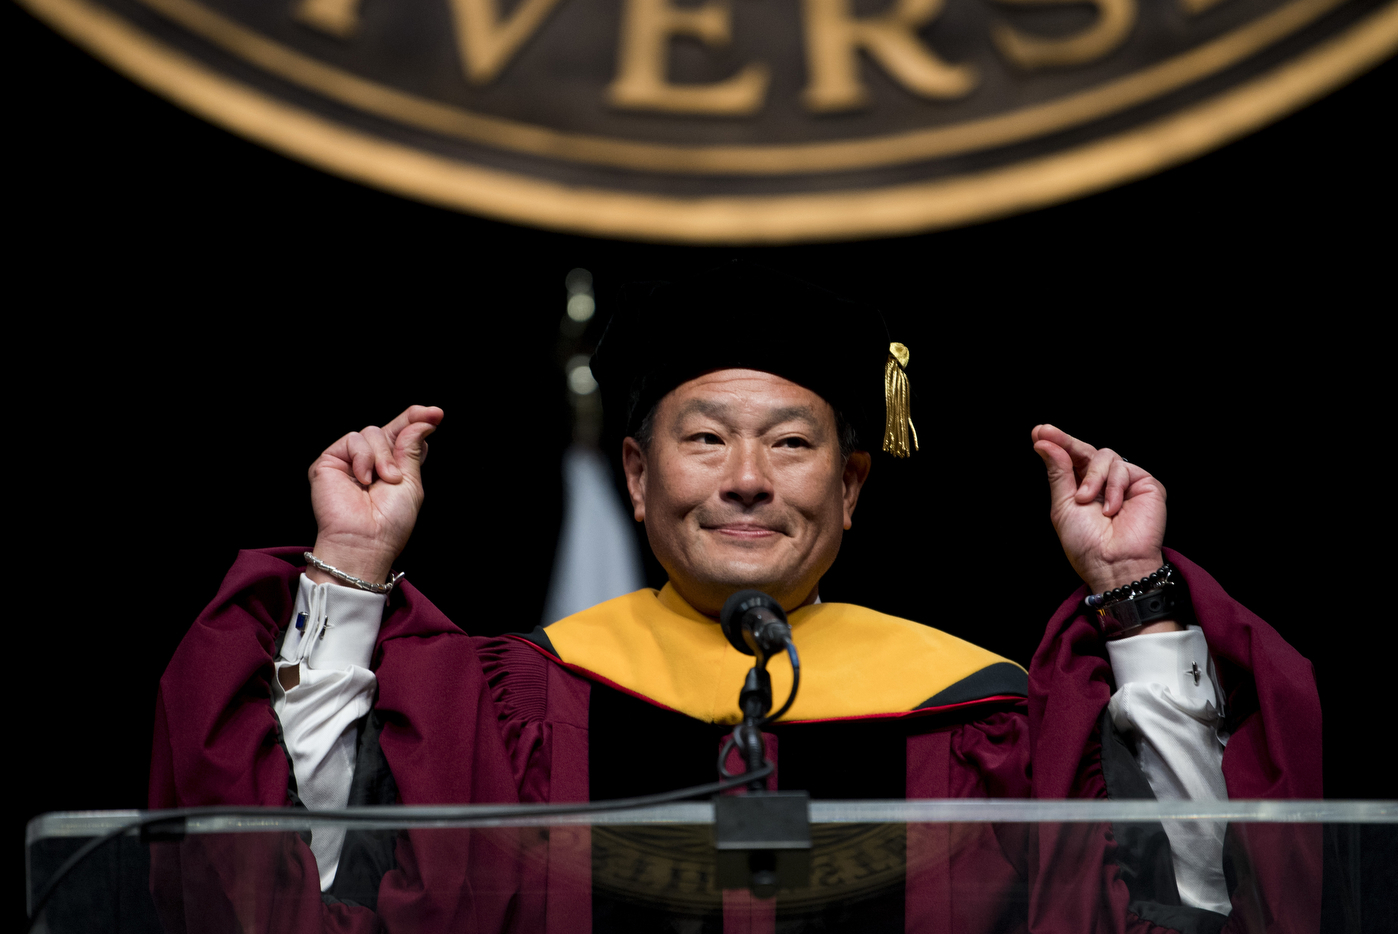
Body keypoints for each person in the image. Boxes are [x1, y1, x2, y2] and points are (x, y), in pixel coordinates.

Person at [149, 263, 1321, 934]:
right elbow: (306, 895)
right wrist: (350, 568)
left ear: (851, 485)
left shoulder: (983, 722)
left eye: (793, 442)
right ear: (636, 475)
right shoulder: (512, 704)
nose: (747, 477)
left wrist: (1130, 594)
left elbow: (1189, 905)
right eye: (703, 437)